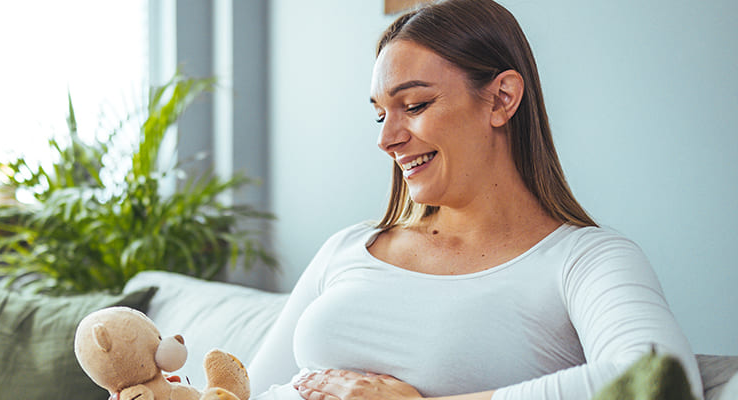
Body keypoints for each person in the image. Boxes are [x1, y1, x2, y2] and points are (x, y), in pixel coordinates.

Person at [246, 0, 702, 399]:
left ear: (502, 98)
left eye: (416, 106)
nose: (386, 139)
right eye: (381, 114)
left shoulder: (584, 261)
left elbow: (655, 380)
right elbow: (242, 390)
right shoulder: (348, 248)